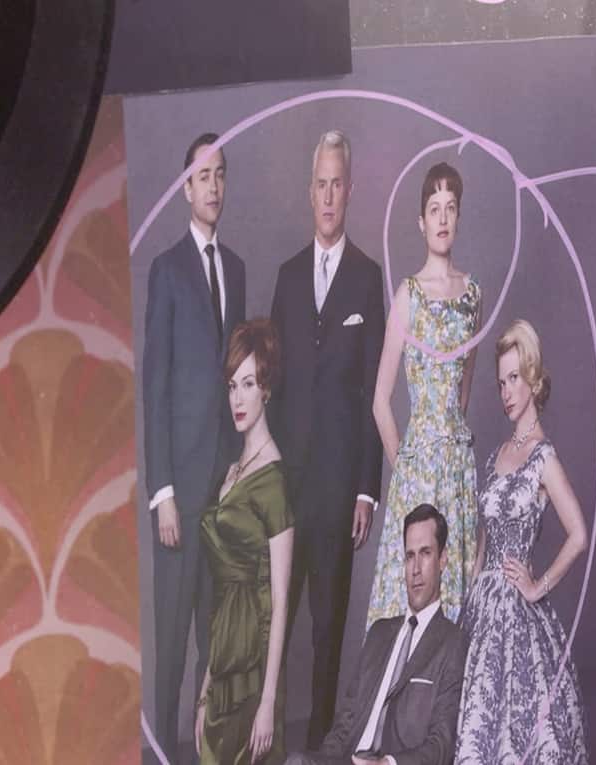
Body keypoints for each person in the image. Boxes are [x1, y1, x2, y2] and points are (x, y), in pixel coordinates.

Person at [269, 129, 385, 747]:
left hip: (340, 489)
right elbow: (271, 387)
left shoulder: (368, 278)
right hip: (288, 488)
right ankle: (263, 750)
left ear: (350, 190)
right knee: (276, 624)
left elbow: (373, 392)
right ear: (309, 192)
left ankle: (316, 749)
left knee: (327, 629)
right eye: (321, 184)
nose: (330, 195)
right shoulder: (287, 277)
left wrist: (367, 489)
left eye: (338, 184)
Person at [143, 131, 247, 757]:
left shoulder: (236, 268)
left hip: (221, 490)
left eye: (220, 174)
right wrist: (162, 493)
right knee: (172, 645)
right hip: (178, 493)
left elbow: (240, 383)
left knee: (216, 640)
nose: (213, 185)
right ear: (186, 188)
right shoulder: (167, 270)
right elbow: (154, 388)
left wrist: (240, 470)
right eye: (203, 176)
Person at [455, 320, 588, 764]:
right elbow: (482, 540)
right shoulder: (496, 455)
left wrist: (537, 586)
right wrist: (470, 590)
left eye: (514, 378)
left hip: (519, 614)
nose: (506, 392)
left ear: (532, 377)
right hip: (481, 611)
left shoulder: (543, 457)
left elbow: (579, 534)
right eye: (500, 383)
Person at [369, 162, 480, 626]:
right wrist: (407, 468)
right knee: (411, 597)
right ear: (421, 221)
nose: (442, 218)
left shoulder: (473, 295)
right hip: (418, 469)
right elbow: (380, 401)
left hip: (458, 471)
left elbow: (463, 395)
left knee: (454, 594)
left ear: (459, 216)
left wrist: (452, 453)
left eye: (450, 208)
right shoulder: (408, 295)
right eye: (434, 209)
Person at [287, 504, 468, 765]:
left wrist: (388, 764)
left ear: (442, 560)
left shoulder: (453, 643)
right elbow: (345, 725)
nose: (416, 569)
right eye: (409, 556)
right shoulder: (379, 633)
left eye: (426, 554)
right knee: (298, 761)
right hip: (350, 761)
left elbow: (442, 743)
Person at [196, 319, 293, 765]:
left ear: (266, 389)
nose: (237, 398)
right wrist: (205, 687)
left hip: (254, 671)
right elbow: (224, 598)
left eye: (248, 384)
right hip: (223, 662)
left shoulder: (274, 482)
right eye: (232, 385)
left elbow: (280, 601)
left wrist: (268, 702)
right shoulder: (233, 472)